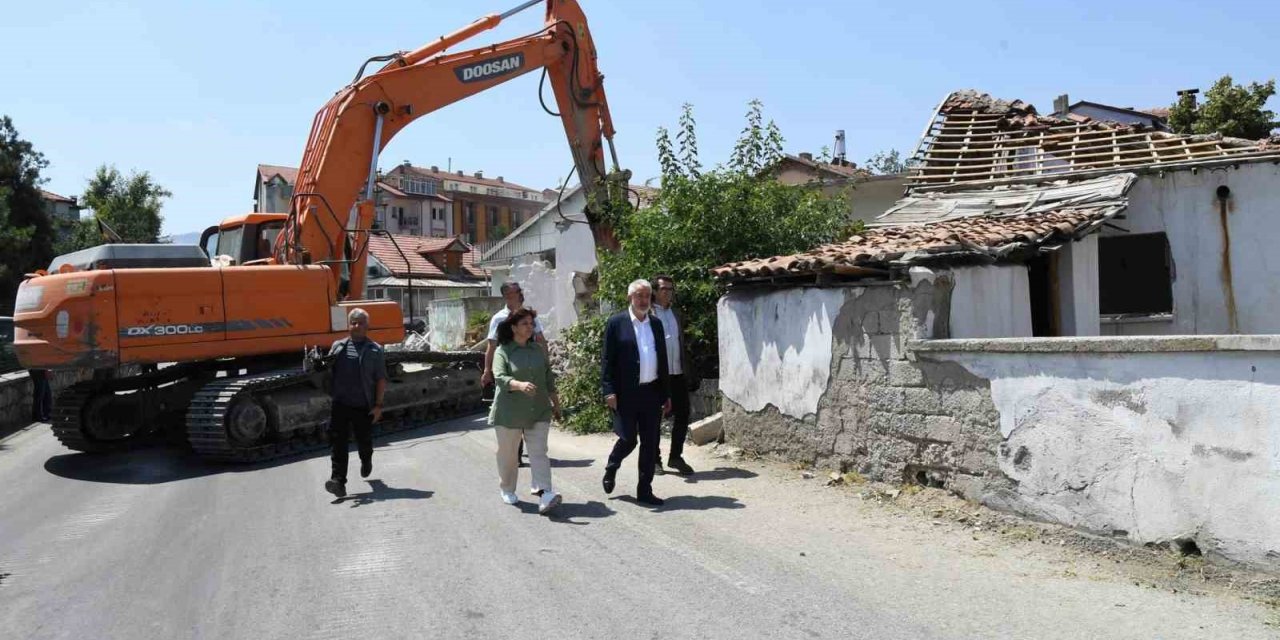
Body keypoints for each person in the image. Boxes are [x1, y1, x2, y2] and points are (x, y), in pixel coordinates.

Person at [601, 279, 671, 506]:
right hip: (625, 393)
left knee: (650, 443)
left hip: (651, 392)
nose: (643, 300)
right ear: (630, 297)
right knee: (629, 438)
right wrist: (609, 390)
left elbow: (662, 360)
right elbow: (608, 360)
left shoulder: (656, 324)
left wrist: (665, 393)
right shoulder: (616, 323)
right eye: (639, 296)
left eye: (647, 296)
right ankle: (612, 465)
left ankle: (645, 490)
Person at [489, 308, 563, 515]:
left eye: (532, 324)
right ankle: (507, 488)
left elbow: (548, 378)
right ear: (513, 328)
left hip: (538, 408)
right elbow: (500, 377)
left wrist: (556, 403)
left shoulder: (538, 350)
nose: (530, 327)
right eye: (525, 324)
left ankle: (544, 493)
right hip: (509, 411)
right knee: (509, 455)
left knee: (539, 452)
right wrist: (518, 384)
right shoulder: (503, 351)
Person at [482, 281, 547, 489]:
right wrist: (487, 370)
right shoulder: (498, 319)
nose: (513, 297)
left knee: (534, 437)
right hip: (509, 372)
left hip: (530, 368)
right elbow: (491, 347)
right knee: (510, 437)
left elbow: (541, 341)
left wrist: (545, 367)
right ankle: (513, 461)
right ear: (504, 297)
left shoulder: (531, 317)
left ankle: (542, 488)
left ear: (521, 294)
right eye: (508, 294)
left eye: (515, 293)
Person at [324, 308, 388, 499]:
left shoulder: (375, 350)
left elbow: (381, 379)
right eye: (353, 322)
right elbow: (327, 372)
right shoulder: (337, 347)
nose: (357, 325)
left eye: (361, 322)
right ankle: (338, 482)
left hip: (364, 406)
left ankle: (366, 460)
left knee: (364, 442)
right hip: (340, 404)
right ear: (348, 325)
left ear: (367, 326)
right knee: (338, 445)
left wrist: (378, 405)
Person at [650, 275, 700, 476]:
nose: (668, 292)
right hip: (657, 375)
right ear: (654, 291)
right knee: (654, 418)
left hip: (677, 372)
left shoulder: (676, 314)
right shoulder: (648, 314)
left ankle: (676, 457)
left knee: (683, 414)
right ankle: (654, 460)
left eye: (671, 289)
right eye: (664, 289)